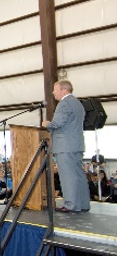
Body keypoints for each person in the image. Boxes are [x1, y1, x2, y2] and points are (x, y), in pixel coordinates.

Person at [42, 80, 89, 212]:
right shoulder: (78, 103)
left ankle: (71, 205)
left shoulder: (64, 104)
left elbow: (57, 123)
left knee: (68, 176)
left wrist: (47, 124)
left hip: (65, 146)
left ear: (64, 90)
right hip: (76, 144)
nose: (53, 92)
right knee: (79, 175)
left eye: (55, 90)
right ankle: (83, 204)